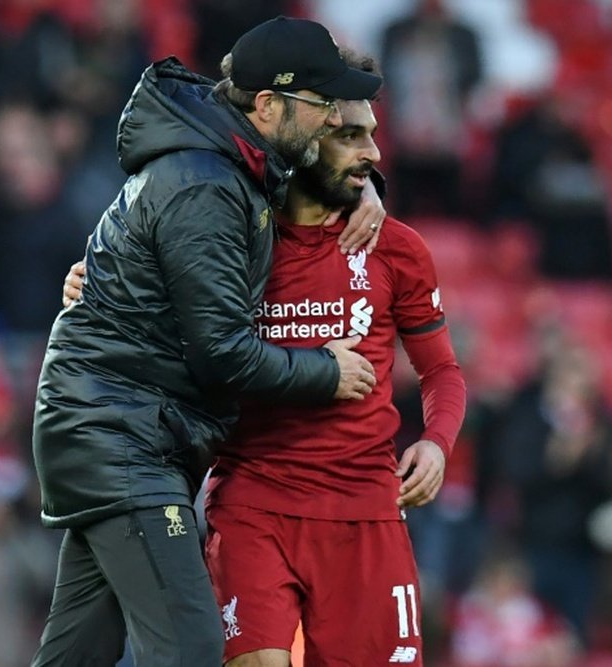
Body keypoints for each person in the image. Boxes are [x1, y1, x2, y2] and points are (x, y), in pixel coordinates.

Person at [63, 52, 467, 666]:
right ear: (303, 137)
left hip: (365, 510)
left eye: (373, 136)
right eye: (350, 136)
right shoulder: (235, 230)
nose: (373, 154)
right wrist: (96, 283)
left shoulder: (397, 249)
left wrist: (437, 441)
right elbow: (149, 290)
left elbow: (441, 370)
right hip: (252, 501)